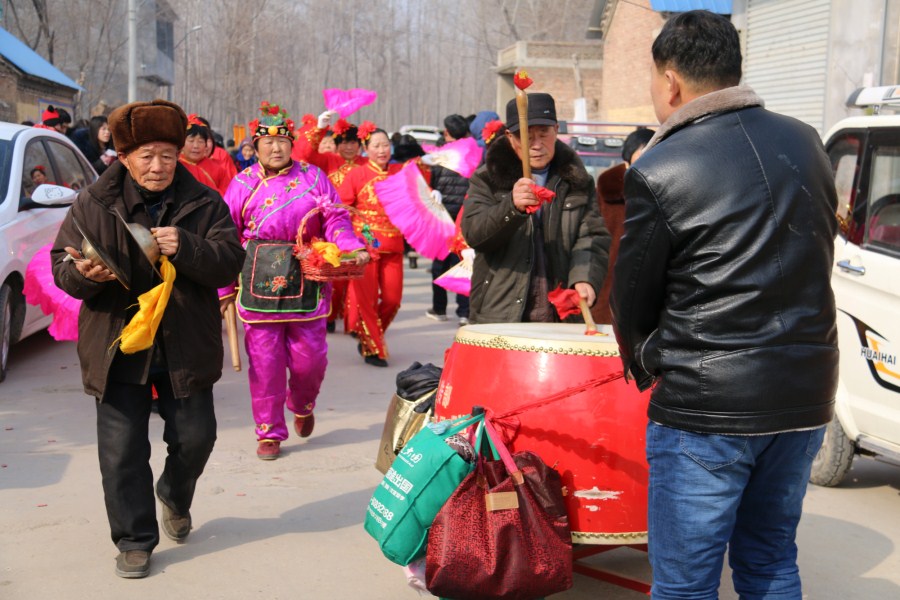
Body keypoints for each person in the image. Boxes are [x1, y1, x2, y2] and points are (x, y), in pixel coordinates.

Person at [610, 11, 839, 599]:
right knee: (769, 563)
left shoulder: (661, 166)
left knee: (686, 584)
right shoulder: (806, 141)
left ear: (671, 83)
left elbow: (632, 299)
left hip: (707, 407)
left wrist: (646, 358)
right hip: (804, 394)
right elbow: (819, 250)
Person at [50, 99, 245, 579]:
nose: (157, 166)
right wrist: (86, 274)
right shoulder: (93, 202)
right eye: (146, 156)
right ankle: (134, 540)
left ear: (179, 154)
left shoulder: (203, 201)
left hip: (184, 340)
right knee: (122, 452)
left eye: (167, 155)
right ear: (124, 156)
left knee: (197, 438)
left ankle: (174, 494)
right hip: (118, 343)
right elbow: (62, 265)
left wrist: (190, 247)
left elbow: (230, 259)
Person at [218, 101, 369, 460]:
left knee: (310, 361)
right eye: (267, 142)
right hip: (258, 281)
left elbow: (334, 220)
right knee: (266, 366)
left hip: (307, 276)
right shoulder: (241, 184)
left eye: (282, 140)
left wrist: (349, 247)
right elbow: (224, 237)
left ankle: (302, 402)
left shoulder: (314, 177)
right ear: (254, 147)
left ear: (292, 143)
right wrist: (223, 288)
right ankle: (269, 430)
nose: (275, 148)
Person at [461, 93, 609, 324]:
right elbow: (474, 234)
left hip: (558, 311)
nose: (537, 145)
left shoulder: (576, 179)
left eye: (544, 134)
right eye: (526, 137)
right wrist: (511, 207)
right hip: (501, 311)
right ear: (510, 136)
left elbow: (591, 235)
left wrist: (584, 278)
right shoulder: (488, 178)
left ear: (557, 130)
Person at [337, 124, 426, 366]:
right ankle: (374, 349)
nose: (382, 150)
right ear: (366, 149)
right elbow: (342, 209)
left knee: (392, 300)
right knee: (366, 301)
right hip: (365, 248)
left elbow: (420, 191)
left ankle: (369, 335)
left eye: (385, 145)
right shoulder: (356, 174)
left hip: (394, 246)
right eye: (376, 146)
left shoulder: (400, 171)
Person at [293, 112, 369, 333]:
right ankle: (329, 314)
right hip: (333, 225)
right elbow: (304, 156)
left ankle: (356, 324)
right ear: (336, 145)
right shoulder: (329, 161)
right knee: (335, 274)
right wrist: (319, 128)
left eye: (353, 142)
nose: (348, 147)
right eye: (343, 143)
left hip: (361, 225)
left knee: (358, 278)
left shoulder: (366, 164)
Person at [590, 127, 654, 325]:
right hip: (605, 299)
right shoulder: (605, 195)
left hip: (648, 303)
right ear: (627, 161)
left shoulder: (665, 195)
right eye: (640, 159)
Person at [425, 114, 471, 325]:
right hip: (465, 218)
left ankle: (439, 308)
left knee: (439, 264)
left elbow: (430, 184)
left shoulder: (439, 156)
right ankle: (464, 312)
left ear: (447, 133)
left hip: (442, 218)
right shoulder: (473, 153)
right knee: (462, 263)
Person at [178, 115, 231, 196]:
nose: (196, 146)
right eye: (191, 141)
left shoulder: (218, 170)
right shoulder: (175, 166)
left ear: (206, 145)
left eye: (201, 141)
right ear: (182, 143)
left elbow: (228, 196)